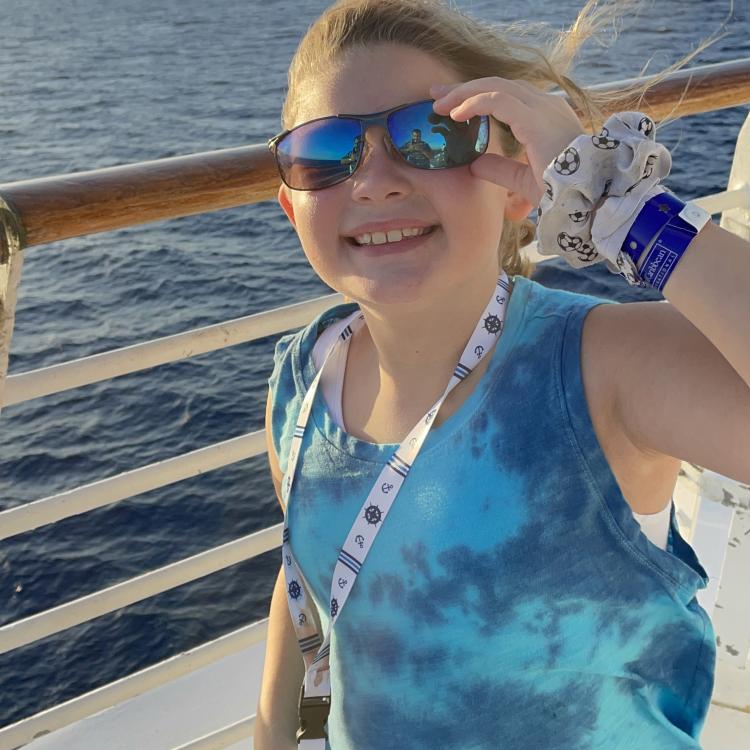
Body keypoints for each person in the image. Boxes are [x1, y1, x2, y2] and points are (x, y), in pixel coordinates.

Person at [256, 1, 749, 748]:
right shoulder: (303, 381)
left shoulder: (599, 370)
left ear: (519, 187)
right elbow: (306, 594)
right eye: (327, 154)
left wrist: (622, 206)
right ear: (294, 209)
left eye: (430, 137)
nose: (374, 183)